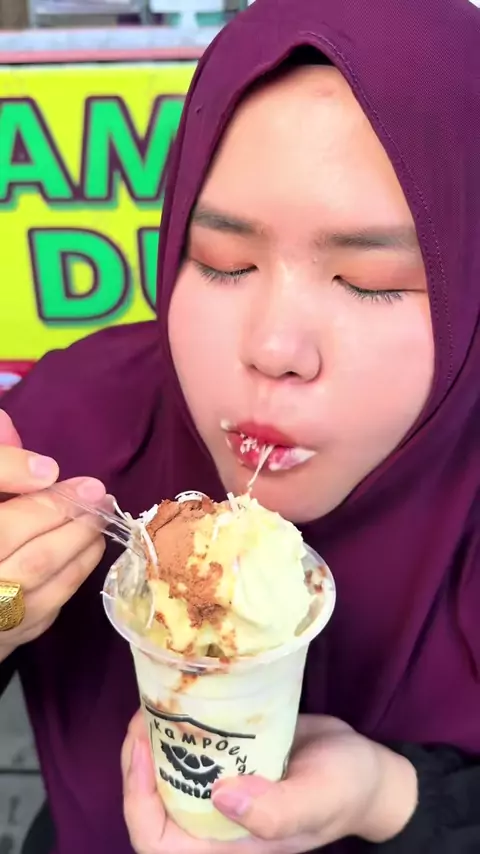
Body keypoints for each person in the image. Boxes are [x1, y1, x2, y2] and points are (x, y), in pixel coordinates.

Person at [0, 0, 479, 852]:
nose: (273, 349)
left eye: (371, 280)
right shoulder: (67, 432)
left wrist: (393, 798)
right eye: (223, 263)